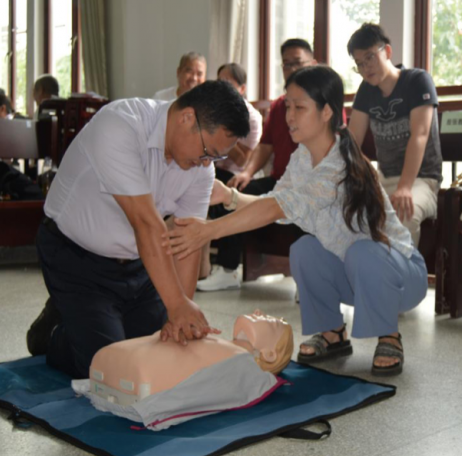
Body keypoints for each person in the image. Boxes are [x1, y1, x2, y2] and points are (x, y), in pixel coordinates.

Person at [165, 66, 427, 376]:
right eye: (288, 105)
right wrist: (229, 198)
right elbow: (278, 204)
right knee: (305, 248)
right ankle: (332, 333)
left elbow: (276, 208)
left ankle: (390, 335)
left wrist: (208, 230)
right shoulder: (302, 157)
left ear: (327, 111)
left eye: (299, 107)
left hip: (401, 276)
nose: (289, 115)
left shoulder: (340, 164)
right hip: (354, 274)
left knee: (363, 250)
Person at [25, 80, 251, 379]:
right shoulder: (120, 125)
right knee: (110, 368)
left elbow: (188, 239)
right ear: (186, 118)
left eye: (217, 158)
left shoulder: (202, 169)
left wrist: (180, 310)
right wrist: (175, 304)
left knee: (160, 352)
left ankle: (90, 320)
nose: (208, 162)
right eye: (208, 151)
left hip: (139, 266)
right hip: (76, 260)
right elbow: (146, 223)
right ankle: (53, 330)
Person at [195, 38, 317, 292]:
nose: (291, 69)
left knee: (305, 206)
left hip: (310, 184)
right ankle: (228, 270)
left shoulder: (322, 105)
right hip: (279, 180)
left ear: (313, 64)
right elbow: (265, 146)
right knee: (239, 190)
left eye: (297, 63)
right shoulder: (278, 105)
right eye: (286, 64)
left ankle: (309, 279)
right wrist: (248, 173)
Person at [74, 311, 293, 430]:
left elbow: (216, 388)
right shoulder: (225, 346)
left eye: (270, 322)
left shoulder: (245, 367)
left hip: (147, 370)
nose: (257, 311)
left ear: (269, 354)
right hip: (138, 360)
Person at [347, 23, 443, 247]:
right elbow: (351, 141)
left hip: (422, 181)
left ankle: (404, 280)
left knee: (404, 214)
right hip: (383, 180)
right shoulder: (366, 91)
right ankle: (366, 279)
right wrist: (365, 169)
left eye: (370, 58)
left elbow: (419, 135)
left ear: (387, 51)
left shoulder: (417, 81)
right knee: (350, 214)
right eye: (359, 64)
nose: (365, 68)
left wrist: (404, 187)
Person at [196, 63, 264, 281]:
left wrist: (220, 131)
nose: (222, 87)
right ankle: (198, 265)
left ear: (242, 89)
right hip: (214, 167)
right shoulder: (214, 110)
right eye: (219, 82)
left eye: (228, 83)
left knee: (215, 189)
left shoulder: (251, 117)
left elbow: (243, 159)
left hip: (237, 173)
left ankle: (222, 269)